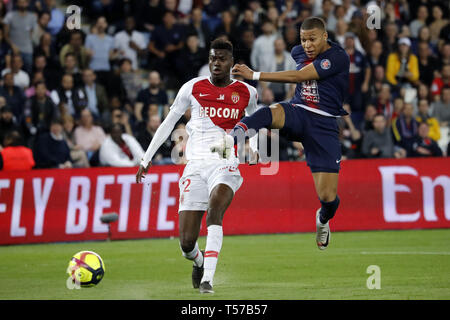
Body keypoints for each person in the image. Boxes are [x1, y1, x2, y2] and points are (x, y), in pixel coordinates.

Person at [135, 39, 259, 294]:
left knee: (216, 211)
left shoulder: (247, 92)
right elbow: (168, 123)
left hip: (225, 161)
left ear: (231, 63)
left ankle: (208, 280)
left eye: (221, 59)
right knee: (186, 243)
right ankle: (199, 262)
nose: (216, 63)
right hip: (194, 165)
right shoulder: (192, 88)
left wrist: (254, 147)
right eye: (213, 58)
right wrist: (146, 159)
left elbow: (254, 121)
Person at [228, 17, 349, 251]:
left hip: (324, 126)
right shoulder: (297, 51)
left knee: (328, 198)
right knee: (268, 113)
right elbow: (297, 76)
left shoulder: (337, 57)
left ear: (325, 37)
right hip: (299, 111)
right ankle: (230, 139)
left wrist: (254, 75)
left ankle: (322, 221)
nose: (307, 45)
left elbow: (298, 77)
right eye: (303, 40)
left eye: (312, 39)